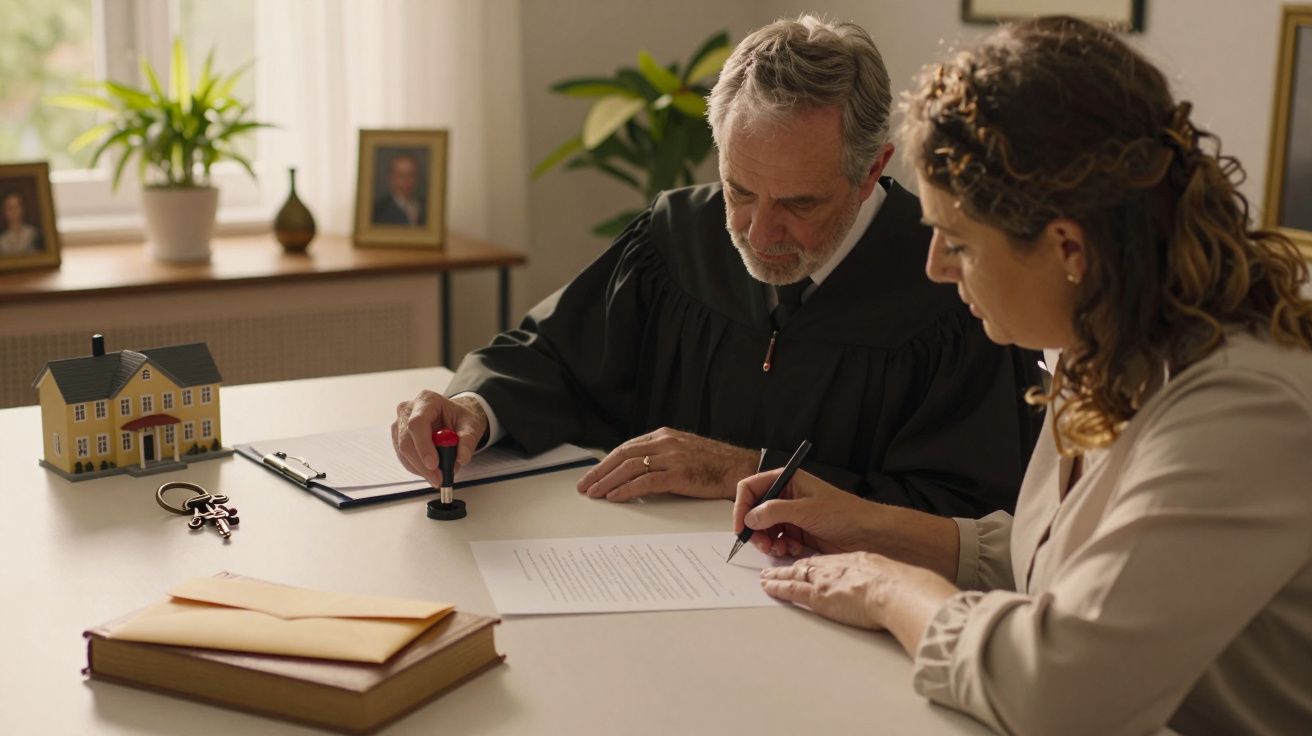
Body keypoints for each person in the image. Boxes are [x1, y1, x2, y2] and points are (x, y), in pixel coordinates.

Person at [733, 16, 1312, 736]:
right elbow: (1057, 566)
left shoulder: (1244, 412)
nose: (936, 267)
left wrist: (890, 591)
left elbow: (1059, 687)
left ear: (1068, 246)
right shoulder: (1099, 342)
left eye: (960, 241)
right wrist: (867, 527)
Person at [393, 16, 1043, 516]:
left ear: (872, 168)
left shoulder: (950, 291)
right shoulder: (677, 239)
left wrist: (749, 471)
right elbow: (552, 358)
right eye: (739, 189)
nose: (759, 234)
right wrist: (473, 410)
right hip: (652, 585)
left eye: (799, 203)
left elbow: (968, 515)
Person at [372, 152, 426, 226]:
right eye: (401, 175)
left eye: (411, 175)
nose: (407, 180)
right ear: (391, 178)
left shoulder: (427, 207)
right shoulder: (378, 210)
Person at [0, 190, 43, 255]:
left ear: (23, 208)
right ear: (3, 211)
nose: (13, 212)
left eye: (16, 207)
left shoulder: (33, 234)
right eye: (9, 208)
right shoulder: (2, 240)